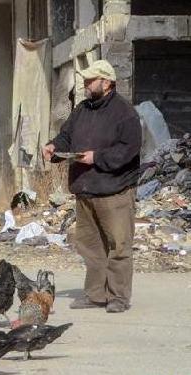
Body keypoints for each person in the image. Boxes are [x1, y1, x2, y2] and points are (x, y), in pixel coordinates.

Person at [42, 60, 141, 313]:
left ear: (106, 83)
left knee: (118, 246)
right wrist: (54, 147)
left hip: (114, 190)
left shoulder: (124, 112)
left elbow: (128, 150)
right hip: (85, 189)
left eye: (90, 80)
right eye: (85, 80)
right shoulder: (82, 109)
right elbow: (67, 136)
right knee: (91, 246)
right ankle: (96, 294)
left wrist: (96, 158)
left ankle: (118, 297)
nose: (85, 84)